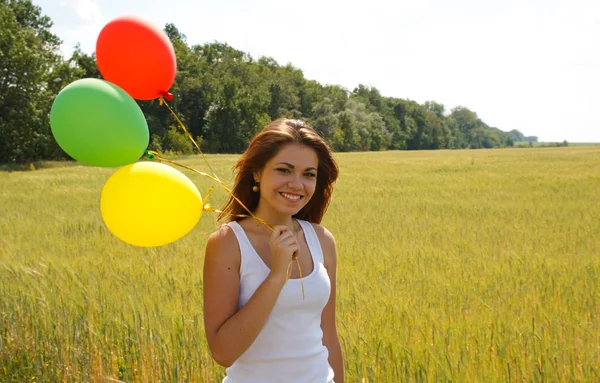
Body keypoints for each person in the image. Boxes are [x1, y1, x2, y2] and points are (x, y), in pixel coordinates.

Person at [203, 118, 345, 383]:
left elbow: (329, 336)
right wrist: (277, 275)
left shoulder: (321, 240)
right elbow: (223, 352)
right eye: (284, 170)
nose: (297, 184)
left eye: (308, 174)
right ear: (257, 172)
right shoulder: (228, 243)